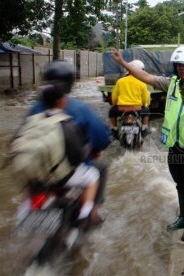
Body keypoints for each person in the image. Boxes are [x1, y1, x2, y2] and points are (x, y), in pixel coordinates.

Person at [111, 45, 184, 242]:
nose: (181, 69)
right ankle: (183, 218)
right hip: (174, 144)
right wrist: (123, 63)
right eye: (178, 65)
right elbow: (146, 77)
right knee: (179, 183)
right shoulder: (171, 84)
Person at [29, 60, 111, 223]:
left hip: (37, 172)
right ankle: (90, 212)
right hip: (68, 171)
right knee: (99, 169)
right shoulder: (78, 108)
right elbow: (101, 138)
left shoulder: (35, 108)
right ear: (70, 83)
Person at [109, 59, 151, 138]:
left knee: (111, 112)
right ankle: (144, 128)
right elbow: (145, 99)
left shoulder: (120, 81)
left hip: (121, 109)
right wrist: (145, 105)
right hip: (137, 109)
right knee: (147, 112)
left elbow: (114, 97)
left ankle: (114, 129)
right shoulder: (142, 83)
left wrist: (114, 104)